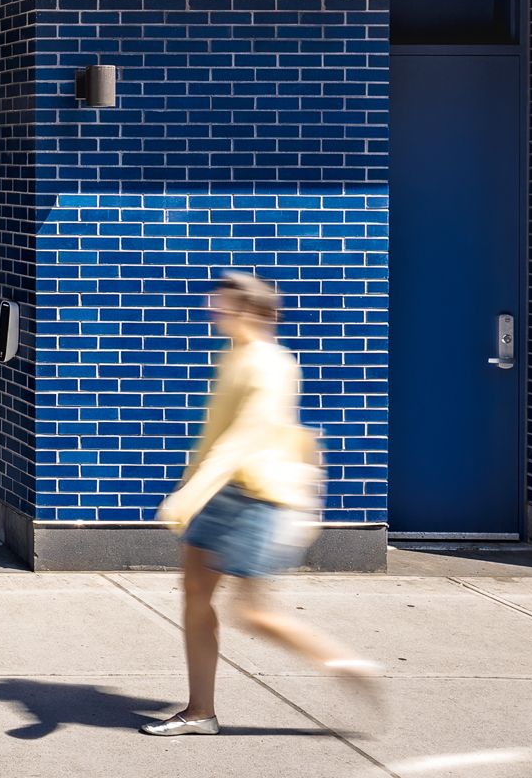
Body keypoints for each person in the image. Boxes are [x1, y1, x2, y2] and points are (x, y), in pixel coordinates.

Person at [143, 272, 383, 738]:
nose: (215, 311)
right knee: (195, 594)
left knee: (253, 612)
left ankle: (346, 664)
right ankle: (200, 712)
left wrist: (190, 493)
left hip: (261, 498)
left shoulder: (270, 367)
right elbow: (216, 432)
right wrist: (194, 483)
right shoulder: (234, 356)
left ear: (253, 312)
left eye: (225, 305)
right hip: (224, 491)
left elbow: (242, 437)